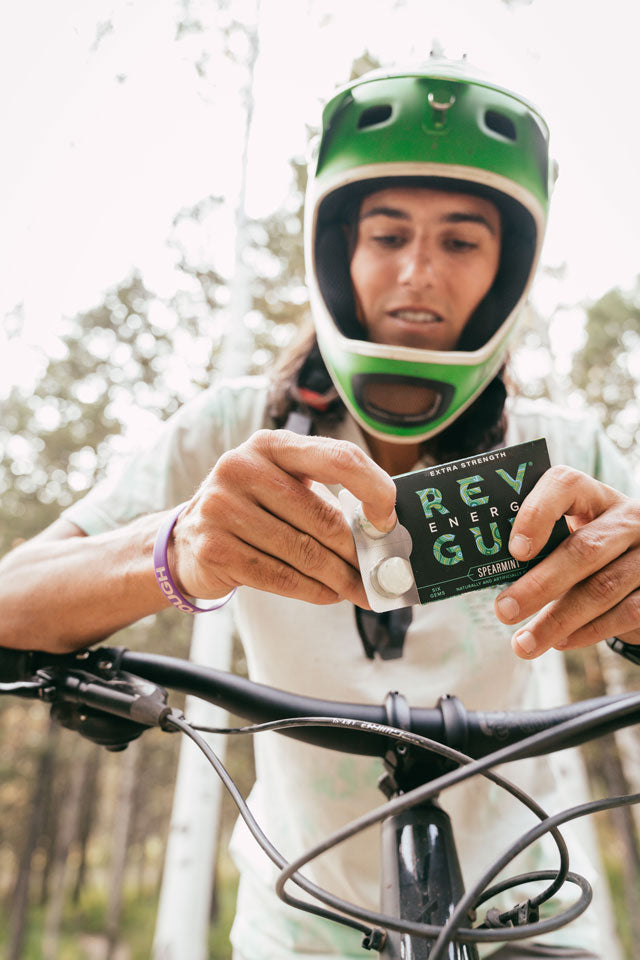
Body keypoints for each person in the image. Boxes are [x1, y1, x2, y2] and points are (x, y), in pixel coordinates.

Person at [1, 59, 637, 959]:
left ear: (506, 273)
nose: (419, 269)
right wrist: (177, 548)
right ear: (337, 252)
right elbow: (10, 598)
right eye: (387, 235)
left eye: (461, 242)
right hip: (294, 919)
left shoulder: (568, 446)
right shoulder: (233, 429)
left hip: (517, 905)